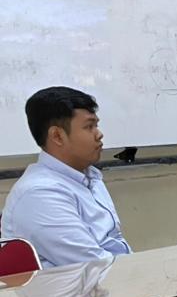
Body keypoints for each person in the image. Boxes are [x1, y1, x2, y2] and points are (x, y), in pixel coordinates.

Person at [1, 87, 131, 268]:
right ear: (57, 136)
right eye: (89, 126)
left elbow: (114, 242)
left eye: (96, 125)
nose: (99, 134)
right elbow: (94, 266)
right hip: (87, 283)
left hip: (112, 278)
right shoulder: (40, 194)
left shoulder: (89, 176)